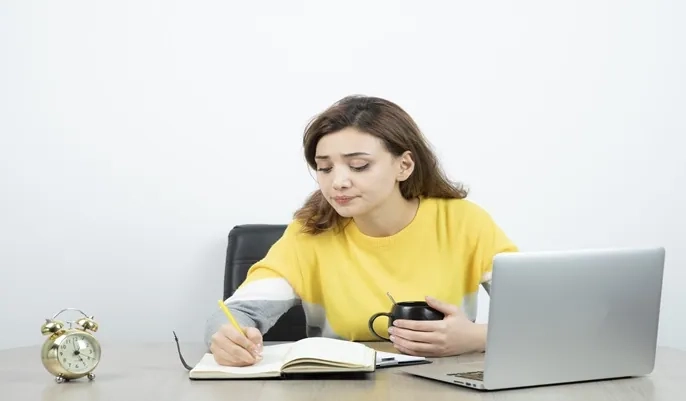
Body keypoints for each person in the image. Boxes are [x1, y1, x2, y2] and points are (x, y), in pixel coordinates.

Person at [205, 95, 518, 367]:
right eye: (324, 168)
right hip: (339, 389)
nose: (338, 181)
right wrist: (226, 338)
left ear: (404, 166)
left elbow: (541, 317)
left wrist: (477, 337)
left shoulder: (463, 222)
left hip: (445, 384)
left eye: (358, 166)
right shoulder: (310, 233)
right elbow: (236, 313)